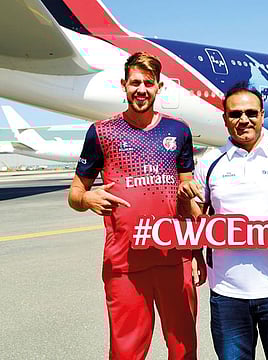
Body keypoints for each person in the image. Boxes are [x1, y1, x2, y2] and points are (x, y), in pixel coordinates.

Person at [68, 52, 206, 360]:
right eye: (134, 83)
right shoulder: (101, 132)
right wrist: (88, 198)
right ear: (123, 86)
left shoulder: (178, 131)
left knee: (184, 349)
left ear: (159, 87)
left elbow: (187, 197)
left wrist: (196, 252)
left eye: (148, 83)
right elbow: (75, 193)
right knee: (126, 351)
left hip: (175, 258)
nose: (141, 90)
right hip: (125, 262)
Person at [178, 83, 268, 360]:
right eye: (235, 114)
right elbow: (198, 217)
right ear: (225, 118)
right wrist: (185, 199)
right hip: (227, 291)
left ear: (262, 115)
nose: (244, 120)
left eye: (251, 113)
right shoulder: (208, 162)